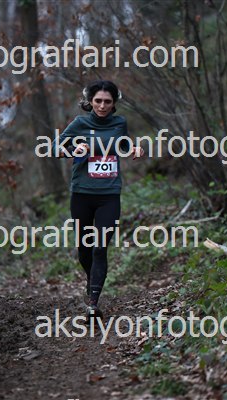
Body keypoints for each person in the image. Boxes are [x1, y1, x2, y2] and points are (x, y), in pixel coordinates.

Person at [55, 80, 143, 320]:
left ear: (114, 103)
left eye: (107, 102)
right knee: (84, 249)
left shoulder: (119, 123)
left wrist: (134, 148)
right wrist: (73, 149)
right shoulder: (79, 123)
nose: (102, 106)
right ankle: (91, 279)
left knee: (100, 247)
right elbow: (54, 147)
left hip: (109, 195)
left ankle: (93, 303)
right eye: (98, 101)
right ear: (90, 101)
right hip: (82, 194)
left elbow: (123, 143)